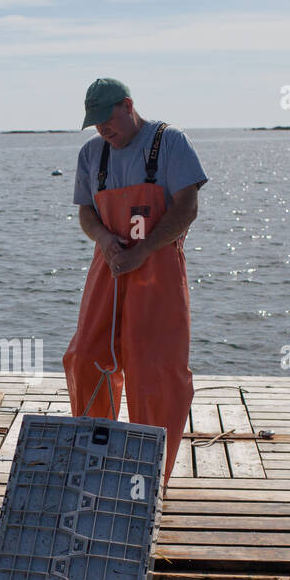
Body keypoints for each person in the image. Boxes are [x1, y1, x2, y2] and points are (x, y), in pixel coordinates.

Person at [63, 77, 208, 488]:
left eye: (106, 120)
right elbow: (87, 214)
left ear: (127, 105)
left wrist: (143, 251)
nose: (101, 131)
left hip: (156, 268)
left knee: (155, 371)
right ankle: (95, 462)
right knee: (86, 356)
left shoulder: (171, 142)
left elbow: (187, 207)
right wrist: (107, 240)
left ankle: (149, 475)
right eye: (94, 124)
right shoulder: (92, 154)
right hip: (108, 266)